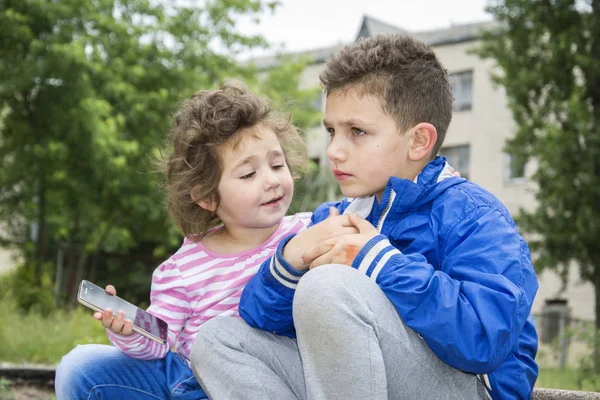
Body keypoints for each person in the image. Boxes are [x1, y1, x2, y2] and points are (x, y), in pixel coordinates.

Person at [190, 34, 539, 400]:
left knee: (327, 286)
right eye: (331, 131)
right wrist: (290, 260)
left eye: (356, 132)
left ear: (419, 141)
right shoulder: (336, 216)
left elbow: (484, 340)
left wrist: (381, 263)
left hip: (463, 389)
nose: (334, 151)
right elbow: (263, 321)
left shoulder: (473, 215)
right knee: (218, 339)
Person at [54, 82, 358, 399]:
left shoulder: (310, 228)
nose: (271, 180)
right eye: (248, 174)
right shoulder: (183, 269)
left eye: (277, 164)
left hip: (278, 380)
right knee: (79, 367)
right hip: (194, 384)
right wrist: (128, 331)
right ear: (208, 197)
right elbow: (159, 341)